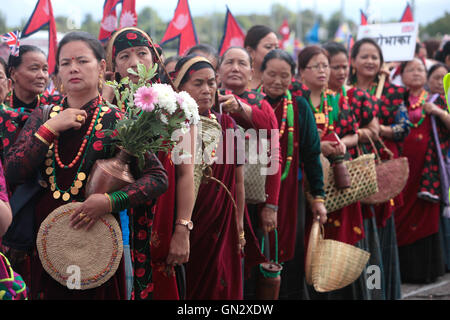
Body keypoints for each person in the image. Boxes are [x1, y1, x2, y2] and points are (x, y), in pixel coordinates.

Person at [3, 31, 168, 300]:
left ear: (102, 67)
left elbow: (157, 178)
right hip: (45, 246)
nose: (73, 69)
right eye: (65, 63)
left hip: (97, 247)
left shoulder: (118, 121)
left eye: (82, 61)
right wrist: (49, 130)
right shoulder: (44, 115)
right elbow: (12, 170)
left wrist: (110, 201)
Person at [105, 26, 190, 300]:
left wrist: (182, 229)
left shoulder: (173, 107)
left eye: (142, 53)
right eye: (124, 56)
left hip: (159, 219)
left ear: (154, 59)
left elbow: (186, 174)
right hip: (111, 220)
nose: (134, 63)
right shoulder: (104, 109)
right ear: (113, 66)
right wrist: (105, 98)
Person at [298, 45, 369, 300]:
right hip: (307, 178)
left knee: (338, 236)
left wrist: (340, 144)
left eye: (325, 66)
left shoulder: (335, 100)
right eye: (315, 66)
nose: (322, 71)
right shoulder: (297, 100)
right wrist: (316, 146)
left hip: (335, 178)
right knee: (309, 237)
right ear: (301, 71)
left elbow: (353, 133)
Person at [173, 54, 245, 299]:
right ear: (180, 88)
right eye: (198, 83)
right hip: (186, 222)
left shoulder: (228, 125)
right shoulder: (170, 125)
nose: (207, 90)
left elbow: (238, 181)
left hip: (220, 224)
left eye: (212, 83)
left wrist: (239, 226)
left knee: (218, 285)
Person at [259, 49, 326, 299]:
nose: (278, 81)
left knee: (288, 248)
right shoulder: (250, 104)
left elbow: (311, 154)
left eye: (284, 75)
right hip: (255, 193)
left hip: (289, 193)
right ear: (260, 73)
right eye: (272, 74)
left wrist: (318, 197)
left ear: (293, 76)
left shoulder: (299, 106)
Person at [216, 46, 280, 299]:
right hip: (216, 196)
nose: (235, 67)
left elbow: (270, 139)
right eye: (229, 62)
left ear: (252, 71)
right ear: (219, 69)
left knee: (247, 261)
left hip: (251, 199)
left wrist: (271, 205)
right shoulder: (210, 97)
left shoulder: (259, 103)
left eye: (242, 63)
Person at [350, 38, 410, 299]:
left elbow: (403, 127)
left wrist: (379, 130)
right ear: (353, 61)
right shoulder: (343, 91)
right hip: (353, 169)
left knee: (379, 235)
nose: (370, 61)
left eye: (375, 56)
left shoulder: (392, 93)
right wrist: (360, 134)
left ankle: (379, 292)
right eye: (364, 56)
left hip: (382, 168)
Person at [395, 58, 450, 284]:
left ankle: (423, 272)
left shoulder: (437, 99)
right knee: (399, 212)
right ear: (402, 74)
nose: (416, 73)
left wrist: (437, 111)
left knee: (425, 216)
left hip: (427, 170)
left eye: (420, 70)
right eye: (411, 70)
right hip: (401, 168)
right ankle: (402, 271)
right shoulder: (395, 99)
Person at [244, 25, 279, 90]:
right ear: (250, 51)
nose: (275, 52)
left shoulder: (287, 84)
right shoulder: (236, 82)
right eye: (268, 47)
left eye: (277, 47)